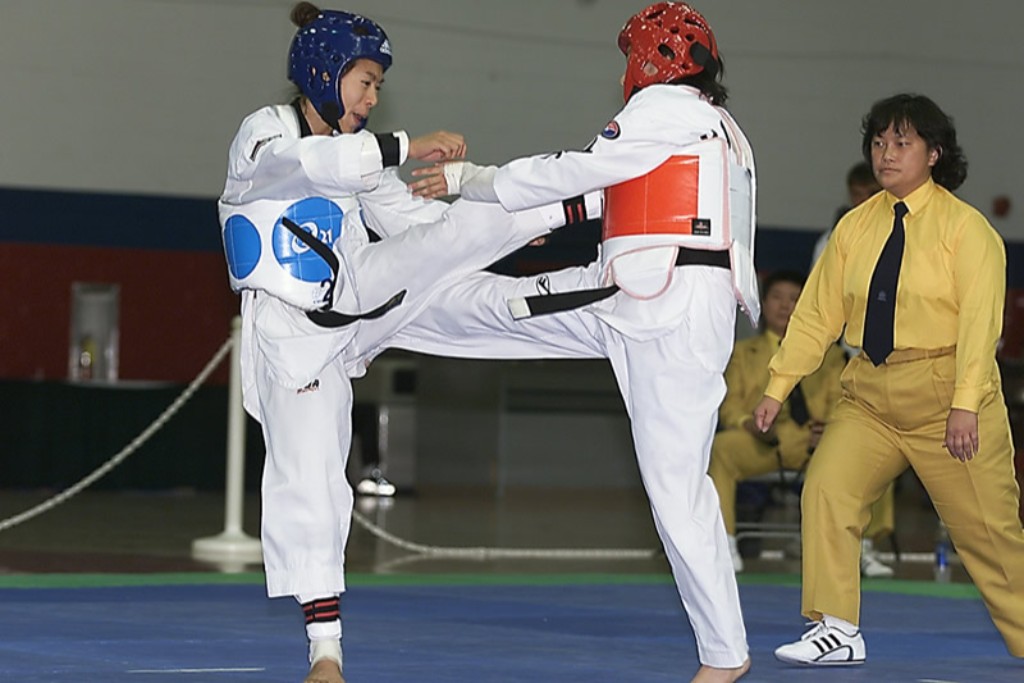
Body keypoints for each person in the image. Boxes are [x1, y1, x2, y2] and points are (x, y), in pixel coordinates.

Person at [217, 5, 599, 682]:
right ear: (323, 73)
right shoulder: (265, 133)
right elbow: (308, 166)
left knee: (461, 254)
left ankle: (585, 229)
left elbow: (417, 224)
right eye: (365, 81)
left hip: (366, 303)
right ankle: (325, 653)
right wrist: (404, 144)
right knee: (312, 484)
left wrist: (501, 228)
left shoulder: (359, 159)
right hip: (292, 336)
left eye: (377, 87)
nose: (371, 97)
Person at [400, 4, 756, 680]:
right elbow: (606, 193)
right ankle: (387, 317)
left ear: (653, 62)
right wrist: (535, 216)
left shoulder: (663, 108)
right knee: (504, 307)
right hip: (655, 298)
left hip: (657, 304)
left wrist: (473, 180)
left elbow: (575, 170)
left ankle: (724, 655)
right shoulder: (721, 131)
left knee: (677, 488)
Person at [754, 93, 1024, 665]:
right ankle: (837, 629)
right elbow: (816, 314)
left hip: (947, 390)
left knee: (989, 539)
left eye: (902, 143)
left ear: (935, 153)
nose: (886, 153)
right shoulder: (855, 227)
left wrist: (966, 403)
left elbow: (982, 324)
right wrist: (778, 386)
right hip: (870, 391)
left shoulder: (968, 230)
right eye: (878, 142)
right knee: (827, 488)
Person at [708, 270, 847, 573]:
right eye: (777, 298)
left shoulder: (831, 356)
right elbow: (729, 406)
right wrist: (748, 424)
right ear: (763, 303)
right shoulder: (742, 353)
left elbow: (841, 402)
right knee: (722, 448)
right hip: (761, 442)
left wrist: (831, 431)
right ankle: (724, 544)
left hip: (813, 442)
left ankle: (856, 548)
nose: (785, 307)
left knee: (863, 452)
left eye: (794, 299)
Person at [811, 163, 898, 578]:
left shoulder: (905, 233)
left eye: (870, 192)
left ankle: (868, 544)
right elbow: (819, 302)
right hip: (841, 358)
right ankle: (841, 549)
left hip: (889, 361)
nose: (862, 200)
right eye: (857, 193)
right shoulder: (835, 238)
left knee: (885, 456)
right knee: (843, 459)